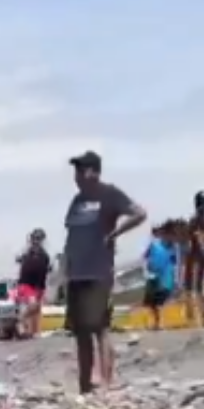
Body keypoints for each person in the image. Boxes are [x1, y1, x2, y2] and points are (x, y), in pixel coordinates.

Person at [63, 150, 146, 394]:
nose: (76, 175)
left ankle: (106, 382)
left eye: (81, 170)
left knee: (99, 327)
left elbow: (139, 213)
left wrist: (115, 234)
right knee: (80, 332)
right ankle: (84, 384)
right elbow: (70, 236)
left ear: (94, 171)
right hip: (76, 273)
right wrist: (63, 270)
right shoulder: (76, 202)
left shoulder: (109, 194)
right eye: (75, 170)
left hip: (98, 271)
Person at [182, 192, 204, 326]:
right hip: (195, 258)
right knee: (195, 287)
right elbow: (193, 239)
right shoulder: (196, 219)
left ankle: (198, 317)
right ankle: (196, 318)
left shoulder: (202, 219)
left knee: (196, 287)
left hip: (199, 258)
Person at [15, 230, 50, 338]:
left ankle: (33, 332)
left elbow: (46, 269)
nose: (37, 241)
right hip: (26, 283)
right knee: (32, 305)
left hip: (39, 284)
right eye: (35, 238)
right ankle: (20, 320)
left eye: (39, 238)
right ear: (31, 239)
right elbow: (18, 259)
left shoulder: (45, 255)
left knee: (37, 310)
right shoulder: (26, 252)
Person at [142, 226, 177, 330]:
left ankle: (157, 323)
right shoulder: (163, 246)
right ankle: (157, 323)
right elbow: (174, 262)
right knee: (155, 303)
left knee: (154, 303)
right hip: (158, 277)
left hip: (157, 277)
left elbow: (145, 256)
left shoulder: (159, 245)